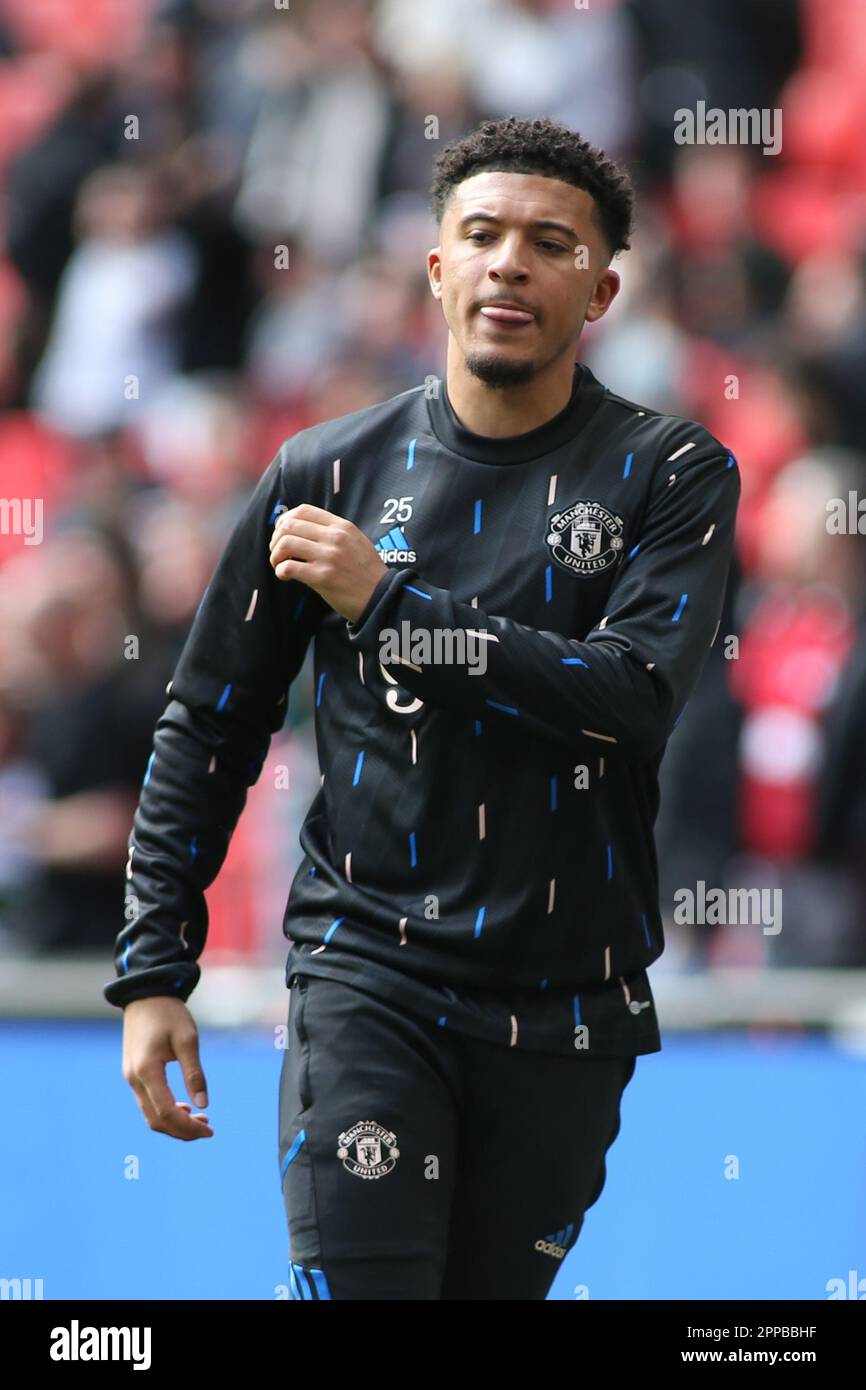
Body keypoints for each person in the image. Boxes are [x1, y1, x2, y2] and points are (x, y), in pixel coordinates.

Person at [106, 115, 741, 1300]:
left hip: (567, 1004)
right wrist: (153, 972)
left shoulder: (671, 473)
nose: (510, 262)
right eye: (482, 234)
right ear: (438, 266)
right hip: (366, 977)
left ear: (598, 290)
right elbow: (208, 725)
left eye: (549, 243)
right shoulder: (323, 472)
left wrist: (387, 605)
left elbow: (628, 697)